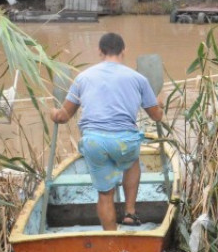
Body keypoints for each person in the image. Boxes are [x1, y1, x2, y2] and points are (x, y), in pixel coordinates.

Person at [49, 33, 163, 231]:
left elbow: (64, 116)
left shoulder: (82, 78)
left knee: (105, 194)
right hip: (124, 142)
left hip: (94, 143)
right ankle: (129, 212)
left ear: (100, 52)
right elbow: (156, 116)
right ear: (124, 51)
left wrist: (53, 113)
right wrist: (160, 103)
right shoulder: (138, 78)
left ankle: (110, 238)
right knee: (132, 160)